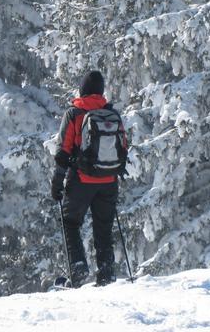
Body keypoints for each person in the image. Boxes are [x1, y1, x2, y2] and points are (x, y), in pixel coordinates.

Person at [51, 70, 127, 287]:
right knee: (103, 226)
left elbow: (63, 150)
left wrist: (57, 181)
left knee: (71, 222)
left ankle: (79, 271)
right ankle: (106, 274)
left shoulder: (74, 113)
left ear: (82, 89)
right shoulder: (112, 114)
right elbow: (123, 147)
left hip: (81, 180)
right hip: (108, 180)